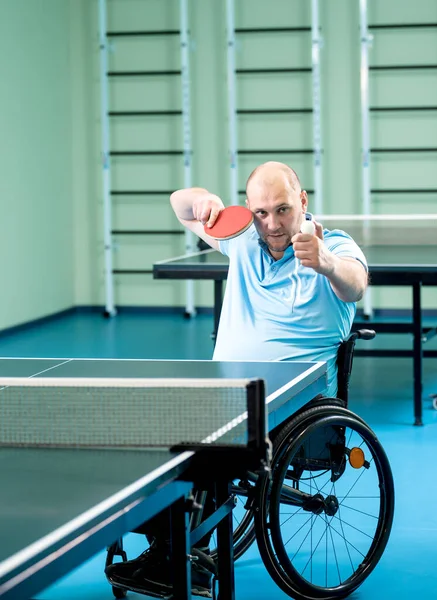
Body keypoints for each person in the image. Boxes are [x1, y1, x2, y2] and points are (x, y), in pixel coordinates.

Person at [105, 161, 368, 598]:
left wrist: (325, 262)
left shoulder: (334, 246)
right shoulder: (244, 239)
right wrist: (201, 201)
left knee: (209, 440)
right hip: (225, 394)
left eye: (282, 210)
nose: (272, 224)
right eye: (261, 212)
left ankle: (185, 560)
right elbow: (180, 205)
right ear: (249, 211)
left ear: (303, 201)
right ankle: (170, 548)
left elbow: (356, 284)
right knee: (147, 427)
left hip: (294, 407)